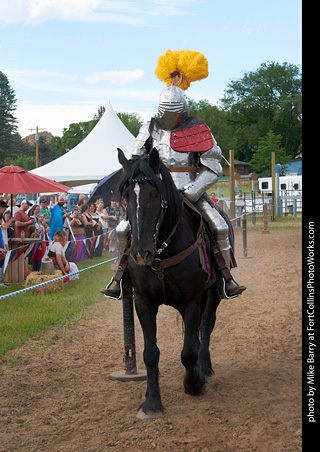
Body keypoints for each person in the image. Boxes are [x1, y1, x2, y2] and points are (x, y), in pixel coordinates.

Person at [101, 49, 245, 299]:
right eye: (164, 112)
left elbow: (213, 166)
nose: (167, 118)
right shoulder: (149, 128)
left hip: (191, 191)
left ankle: (226, 278)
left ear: (182, 111)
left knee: (219, 225)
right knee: (124, 229)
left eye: (172, 112)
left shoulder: (198, 128)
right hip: (155, 191)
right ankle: (121, 277)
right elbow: (135, 162)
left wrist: (194, 190)